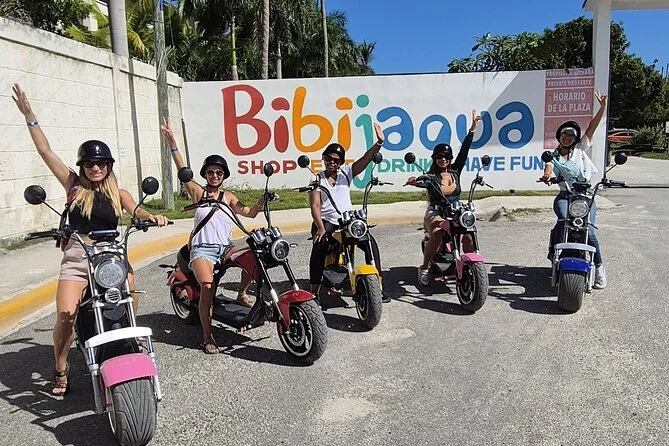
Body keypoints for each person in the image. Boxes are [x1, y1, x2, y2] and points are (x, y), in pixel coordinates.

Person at [11, 84, 169, 397]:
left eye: (100, 163)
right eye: (89, 164)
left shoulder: (118, 193)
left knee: (129, 291)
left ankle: (129, 336)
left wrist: (151, 217)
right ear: (82, 166)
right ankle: (61, 366)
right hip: (77, 259)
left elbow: (137, 210)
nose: (95, 168)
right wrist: (30, 116)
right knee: (65, 318)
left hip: (110, 256)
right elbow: (46, 152)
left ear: (108, 166)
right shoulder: (73, 186)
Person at [160, 118, 267, 354]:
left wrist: (263, 199)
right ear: (205, 174)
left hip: (225, 247)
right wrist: (172, 142)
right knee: (208, 286)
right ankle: (207, 335)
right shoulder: (198, 192)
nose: (215, 176)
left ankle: (241, 294)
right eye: (210, 172)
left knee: (254, 257)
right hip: (202, 249)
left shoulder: (228, 197)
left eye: (219, 172)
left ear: (224, 175)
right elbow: (182, 171)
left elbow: (249, 213)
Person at [308, 123, 391, 303]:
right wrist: (321, 228)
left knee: (370, 243)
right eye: (329, 158)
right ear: (324, 159)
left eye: (336, 160)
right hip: (326, 221)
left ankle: (378, 287)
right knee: (319, 245)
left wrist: (379, 143)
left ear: (341, 162)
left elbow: (365, 159)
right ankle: (314, 290)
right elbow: (315, 206)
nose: (332, 162)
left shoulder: (346, 173)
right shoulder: (317, 179)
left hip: (347, 221)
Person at [540, 90, 608, 289]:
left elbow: (592, 127)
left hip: (585, 197)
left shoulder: (580, 148)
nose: (568, 137)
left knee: (589, 230)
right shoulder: (552, 156)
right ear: (559, 136)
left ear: (576, 138)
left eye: (571, 135)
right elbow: (548, 169)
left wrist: (602, 108)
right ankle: (557, 255)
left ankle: (599, 267)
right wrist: (546, 176)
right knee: (563, 220)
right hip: (565, 196)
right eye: (564, 134)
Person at [406, 110, 482, 286]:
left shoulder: (455, 171)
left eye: (446, 156)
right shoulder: (431, 176)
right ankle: (424, 267)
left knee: (468, 234)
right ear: (435, 158)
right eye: (439, 156)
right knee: (438, 233)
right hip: (436, 213)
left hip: (455, 211)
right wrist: (415, 182)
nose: (443, 159)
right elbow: (424, 183)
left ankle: (470, 265)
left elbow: (464, 151)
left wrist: (472, 130)